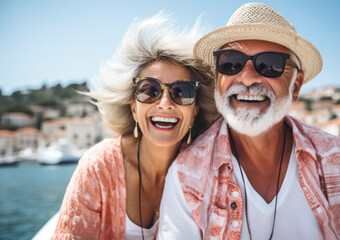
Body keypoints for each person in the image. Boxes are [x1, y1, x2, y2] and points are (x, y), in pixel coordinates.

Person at [157, 3, 340, 240]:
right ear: (217, 79)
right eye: (230, 63)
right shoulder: (187, 175)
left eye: (270, 65)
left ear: (295, 86)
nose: (246, 78)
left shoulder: (337, 159)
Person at [52, 12, 219, 240]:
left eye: (182, 92)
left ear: (194, 113)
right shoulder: (99, 167)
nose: (165, 104)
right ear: (133, 108)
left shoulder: (204, 172)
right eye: (150, 90)